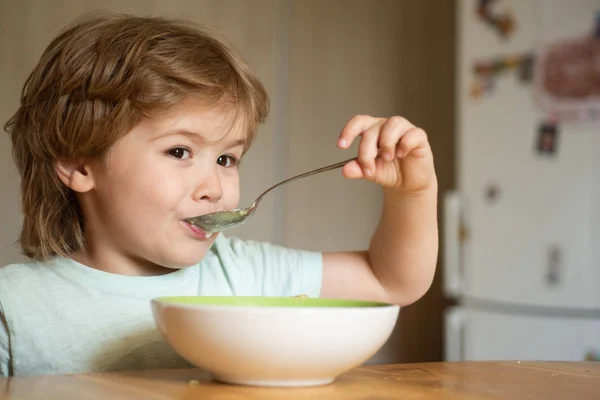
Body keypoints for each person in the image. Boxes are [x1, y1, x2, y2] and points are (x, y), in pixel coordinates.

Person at [0, 12, 438, 376]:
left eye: (226, 159)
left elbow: (390, 280)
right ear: (79, 165)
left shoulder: (244, 273)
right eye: (179, 151)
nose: (214, 188)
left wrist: (413, 192)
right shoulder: (13, 309)